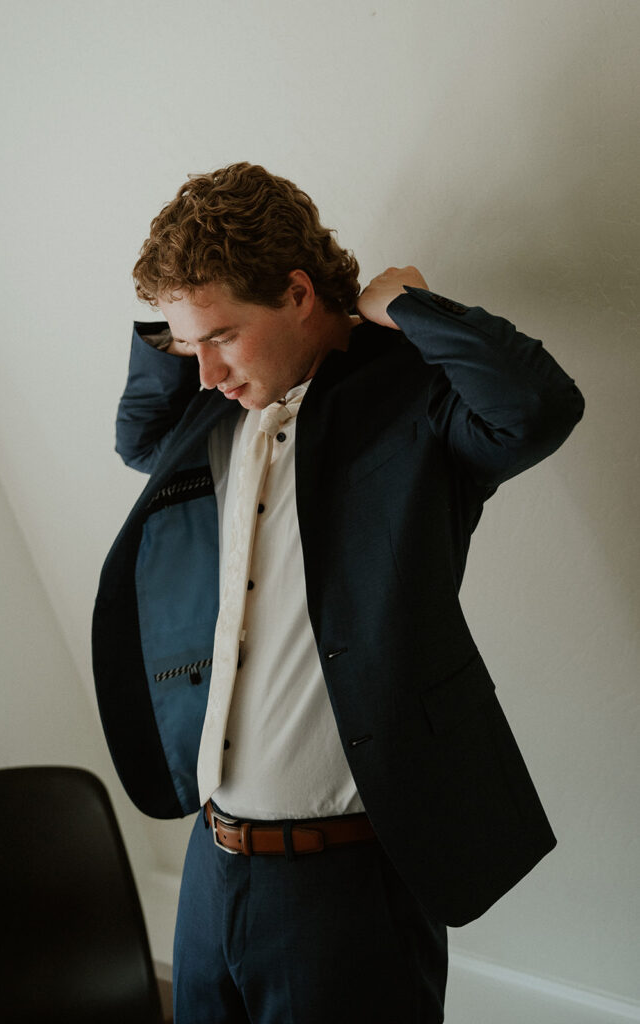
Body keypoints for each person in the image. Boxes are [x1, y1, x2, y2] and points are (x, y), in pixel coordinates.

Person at [92, 162, 584, 1023]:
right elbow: (136, 437)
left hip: (347, 884)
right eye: (185, 346)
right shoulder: (216, 413)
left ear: (296, 292)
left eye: (222, 336)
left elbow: (536, 409)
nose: (203, 371)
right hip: (211, 866)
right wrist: (187, 323)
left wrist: (402, 306)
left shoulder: (413, 405)